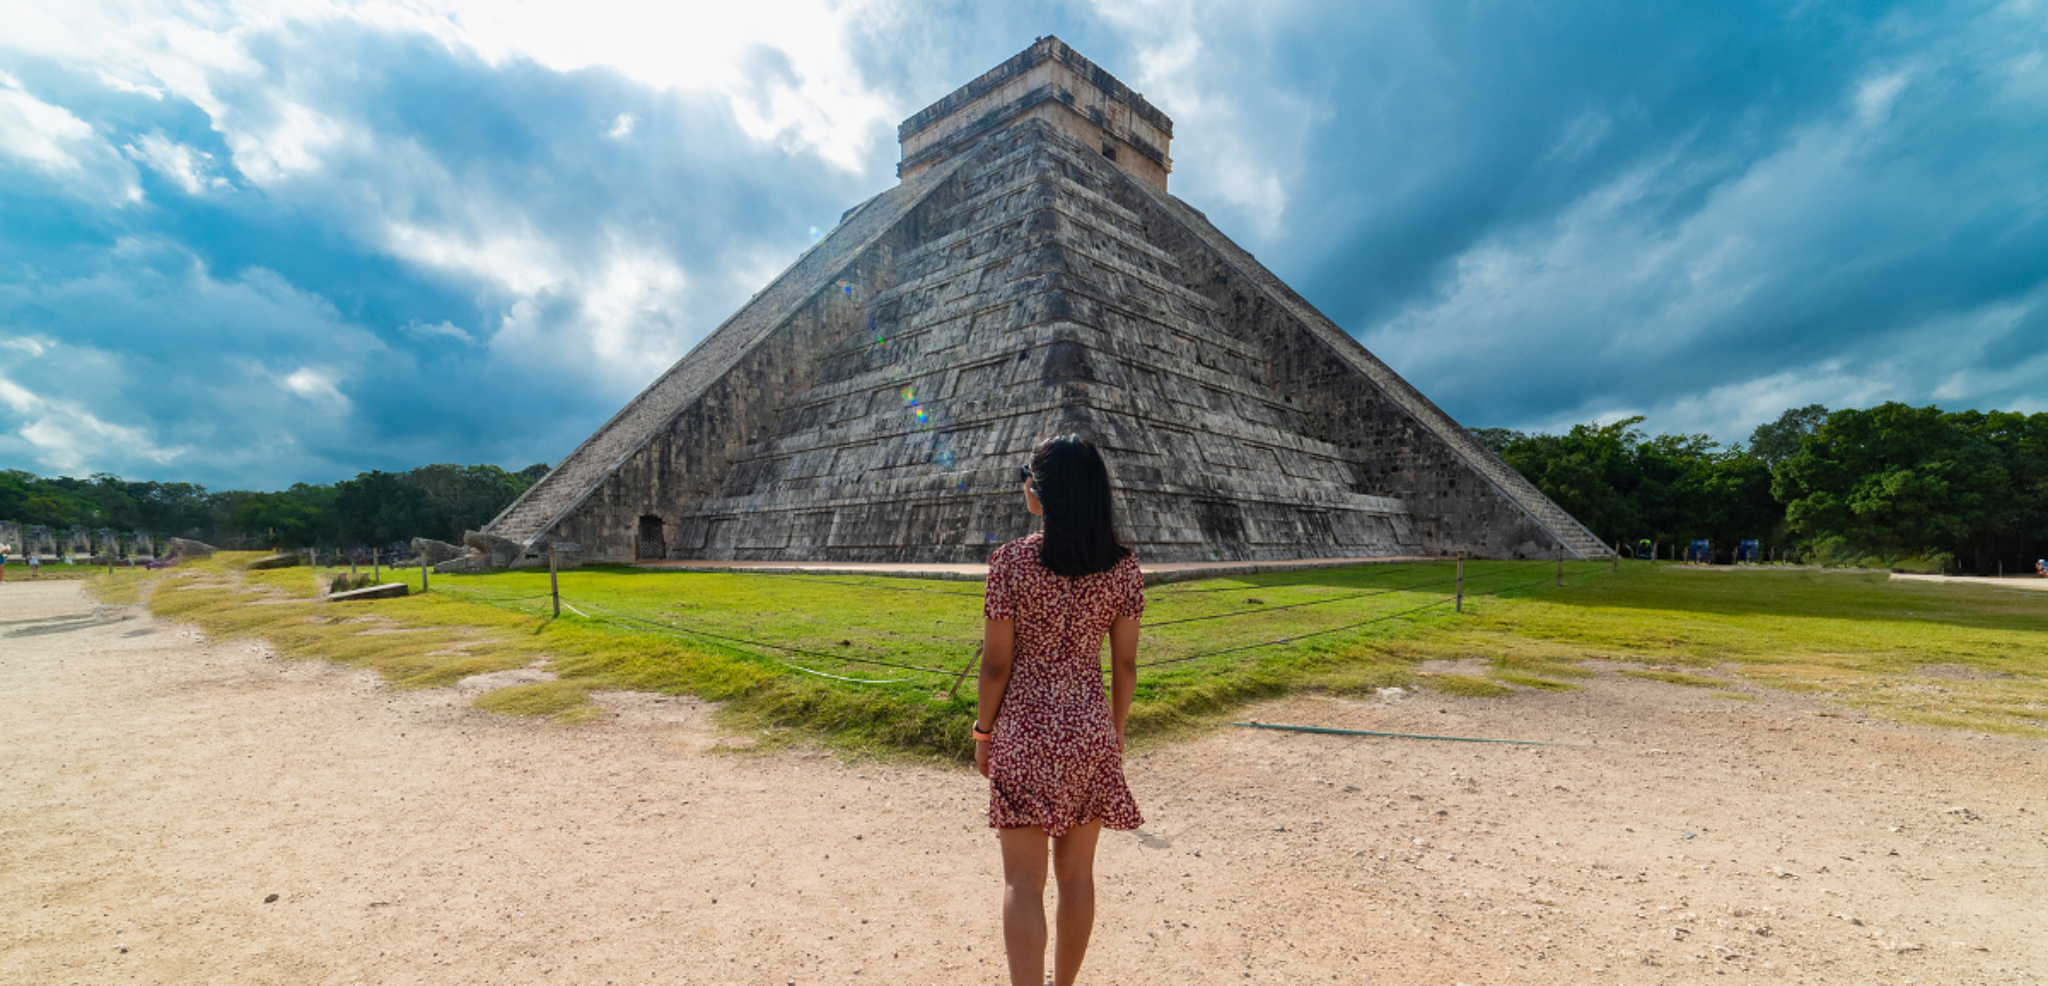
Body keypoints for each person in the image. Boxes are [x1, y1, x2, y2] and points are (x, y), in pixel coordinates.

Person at [975, 435, 1145, 986]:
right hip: (1088, 731)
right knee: (1077, 879)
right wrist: (1113, 733)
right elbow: (1124, 667)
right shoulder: (1122, 569)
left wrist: (983, 732)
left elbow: (996, 667)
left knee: (1022, 884)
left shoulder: (1011, 564)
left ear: (1040, 495)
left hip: (1023, 731)